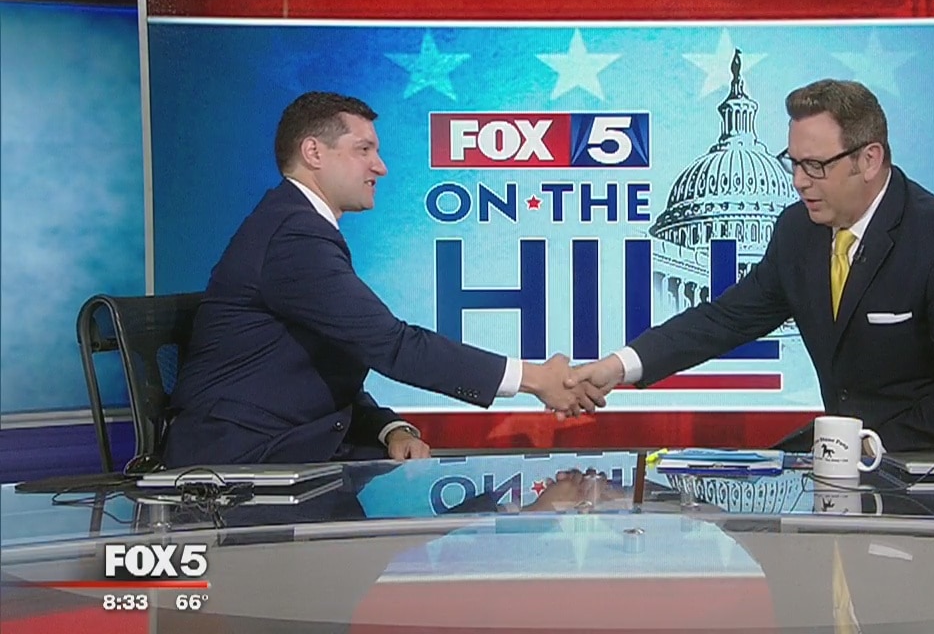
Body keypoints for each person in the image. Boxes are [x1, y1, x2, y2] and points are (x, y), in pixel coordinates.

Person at [568, 79, 934, 454]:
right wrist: (618, 366)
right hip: (850, 460)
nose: (797, 182)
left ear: (869, 159)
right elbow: (723, 319)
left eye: (814, 166)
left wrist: (867, 445)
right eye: (793, 163)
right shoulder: (799, 231)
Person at [162, 92, 603, 468]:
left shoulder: (295, 225)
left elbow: (323, 368)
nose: (381, 167)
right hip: (242, 465)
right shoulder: (294, 236)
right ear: (313, 152)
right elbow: (392, 345)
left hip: (285, 451)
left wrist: (389, 429)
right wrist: (534, 378)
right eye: (364, 150)